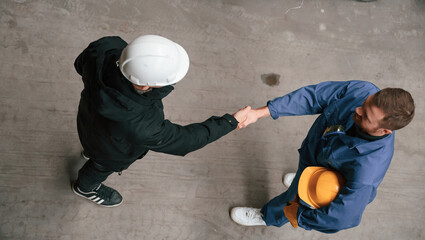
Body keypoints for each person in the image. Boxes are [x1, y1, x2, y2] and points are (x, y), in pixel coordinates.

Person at [72, 35, 250, 207]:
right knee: (100, 166)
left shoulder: (106, 46)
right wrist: (230, 122)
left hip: (87, 121)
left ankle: (90, 151)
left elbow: (79, 65)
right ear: (143, 85)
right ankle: (85, 188)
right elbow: (185, 140)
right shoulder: (143, 124)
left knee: (93, 145)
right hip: (111, 151)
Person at [230, 80, 415, 233]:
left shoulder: (368, 170)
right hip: (313, 153)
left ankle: (269, 216)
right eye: (365, 103)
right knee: (301, 180)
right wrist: (261, 113)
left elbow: (341, 218)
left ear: (384, 131)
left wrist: (298, 214)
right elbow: (314, 96)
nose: (357, 110)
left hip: (326, 178)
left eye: (365, 116)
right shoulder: (362, 90)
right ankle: (303, 180)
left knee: (293, 198)